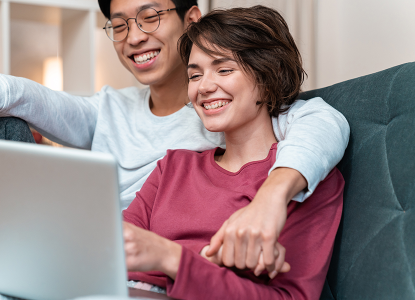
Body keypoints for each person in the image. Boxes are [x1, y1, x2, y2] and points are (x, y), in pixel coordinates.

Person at [0, 0, 349, 293]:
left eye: (149, 17)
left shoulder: (258, 124)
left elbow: (325, 120)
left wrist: (272, 196)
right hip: (100, 248)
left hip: (145, 271)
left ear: (190, 19)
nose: (134, 36)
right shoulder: (128, 123)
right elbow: (31, 97)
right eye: (120, 25)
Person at [122, 6, 344, 299]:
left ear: (268, 77)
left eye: (224, 70)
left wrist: (171, 258)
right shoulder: (172, 167)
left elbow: (290, 296)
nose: (204, 87)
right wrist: (207, 263)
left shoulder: (305, 179)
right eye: (194, 75)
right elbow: (119, 252)